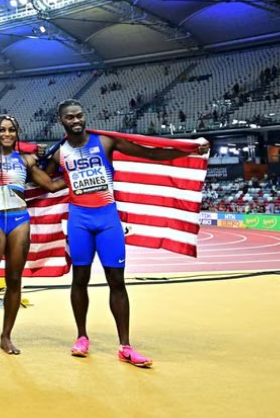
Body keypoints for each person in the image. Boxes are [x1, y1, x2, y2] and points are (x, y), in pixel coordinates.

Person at [44, 99, 209, 367]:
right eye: (69, 117)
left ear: (84, 117)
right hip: (79, 221)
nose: (76, 121)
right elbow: (43, 182)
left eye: (79, 115)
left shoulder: (105, 142)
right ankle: (82, 337)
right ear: (61, 121)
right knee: (80, 279)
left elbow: (150, 154)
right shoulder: (58, 153)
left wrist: (189, 148)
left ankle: (125, 346)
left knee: (117, 282)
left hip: (108, 219)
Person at [0, 115, 65, 355]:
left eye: (11, 130)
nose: (7, 134)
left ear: (17, 133)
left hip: (19, 220)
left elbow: (50, 185)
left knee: (14, 279)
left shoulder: (26, 160)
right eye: (2, 130)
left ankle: (6, 336)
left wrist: (77, 179)